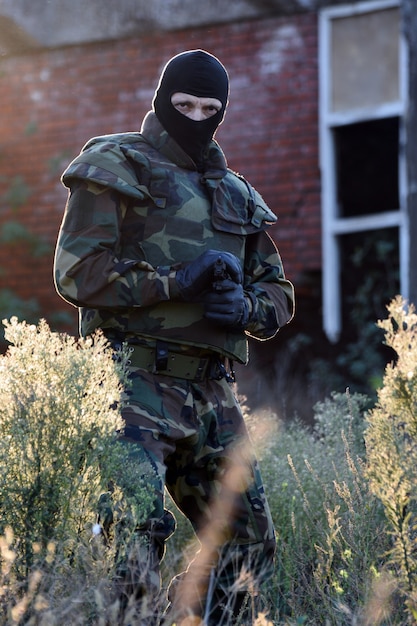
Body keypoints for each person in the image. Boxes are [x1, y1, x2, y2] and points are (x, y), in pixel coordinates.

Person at [54, 49, 295, 625]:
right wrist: (176, 280)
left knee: (250, 545)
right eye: (183, 104)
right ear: (162, 100)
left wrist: (245, 307)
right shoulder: (117, 163)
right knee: (133, 539)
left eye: (210, 108)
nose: (195, 117)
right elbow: (77, 273)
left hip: (212, 391)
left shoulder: (235, 192)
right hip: (132, 379)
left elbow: (279, 295)